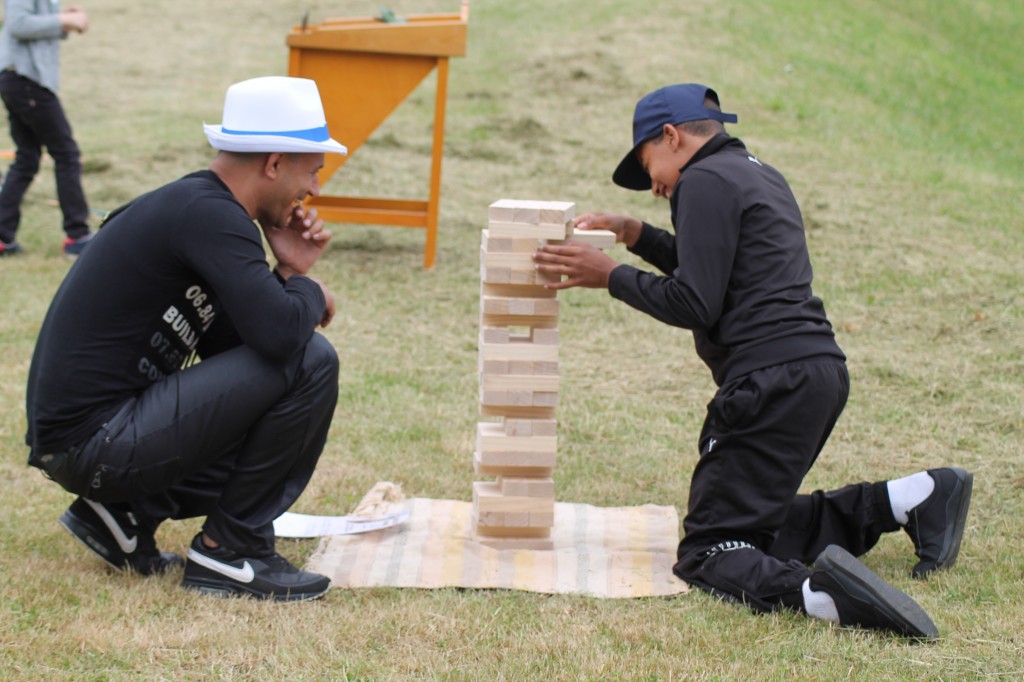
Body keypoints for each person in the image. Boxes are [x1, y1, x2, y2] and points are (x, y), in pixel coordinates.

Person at [532, 83, 973, 638]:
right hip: (814, 371)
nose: (652, 187)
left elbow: (693, 300)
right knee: (750, 525)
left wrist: (609, 275)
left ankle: (822, 594)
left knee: (708, 550)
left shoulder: (702, 182)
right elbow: (713, 267)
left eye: (649, 168)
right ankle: (911, 498)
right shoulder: (750, 172)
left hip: (769, 382)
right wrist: (636, 235)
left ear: (671, 136)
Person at [25, 76, 347, 601]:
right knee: (313, 360)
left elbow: (243, 352)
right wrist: (309, 290)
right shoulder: (211, 216)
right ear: (273, 163)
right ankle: (230, 551)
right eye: (311, 171)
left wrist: (288, 274)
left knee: (285, 384)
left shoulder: (199, 209)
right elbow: (284, 339)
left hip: (91, 440)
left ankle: (127, 512)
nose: (312, 189)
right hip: (97, 442)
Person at [0, 0, 93, 257]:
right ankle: (77, 236)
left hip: (20, 78)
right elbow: (19, 24)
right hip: (26, 79)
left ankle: (2, 236)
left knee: (27, 158)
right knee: (66, 153)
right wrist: (65, 20)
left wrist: (65, 20)